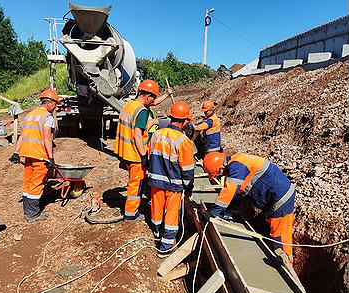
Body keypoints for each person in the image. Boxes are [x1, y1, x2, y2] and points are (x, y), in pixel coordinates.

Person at [203, 151, 296, 263]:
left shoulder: (237, 166)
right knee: (269, 225)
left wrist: (215, 211)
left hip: (281, 197)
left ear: (221, 168)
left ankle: (286, 261)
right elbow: (237, 191)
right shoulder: (237, 162)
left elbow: (230, 190)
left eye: (220, 174)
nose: (222, 176)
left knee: (279, 234)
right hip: (272, 194)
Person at [113, 80, 173, 221]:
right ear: (147, 96)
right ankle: (131, 213)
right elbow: (137, 134)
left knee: (134, 181)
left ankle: (132, 208)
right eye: (152, 98)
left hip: (124, 151)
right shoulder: (143, 111)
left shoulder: (130, 105)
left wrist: (166, 95)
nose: (153, 101)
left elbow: (154, 103)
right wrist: (144, 154)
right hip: (135, 154)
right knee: (136, 184)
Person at [148, 101, 196, 256]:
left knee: (156, 209)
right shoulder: (183, 141)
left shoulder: (156, 134)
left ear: (171, 117)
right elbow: (188, 170)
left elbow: (148, 156)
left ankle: (156, 232)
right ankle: (166, 246)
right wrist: (188, 187)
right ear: (185, 121)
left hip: (155, 181)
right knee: (172, 215)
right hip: (173, 185)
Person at [9, 89, 60, 223]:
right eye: (55, 104)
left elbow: (23, 135)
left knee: (28, 181)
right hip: (39, 155)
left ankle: (28, 210)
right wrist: (51, 157)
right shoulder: (47, 117)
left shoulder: (30, 115)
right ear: (50, 103)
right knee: (37, 183)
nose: (55, 108)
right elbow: (47, 139)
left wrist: (16, 152)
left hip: (27, 154)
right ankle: (33, 214)